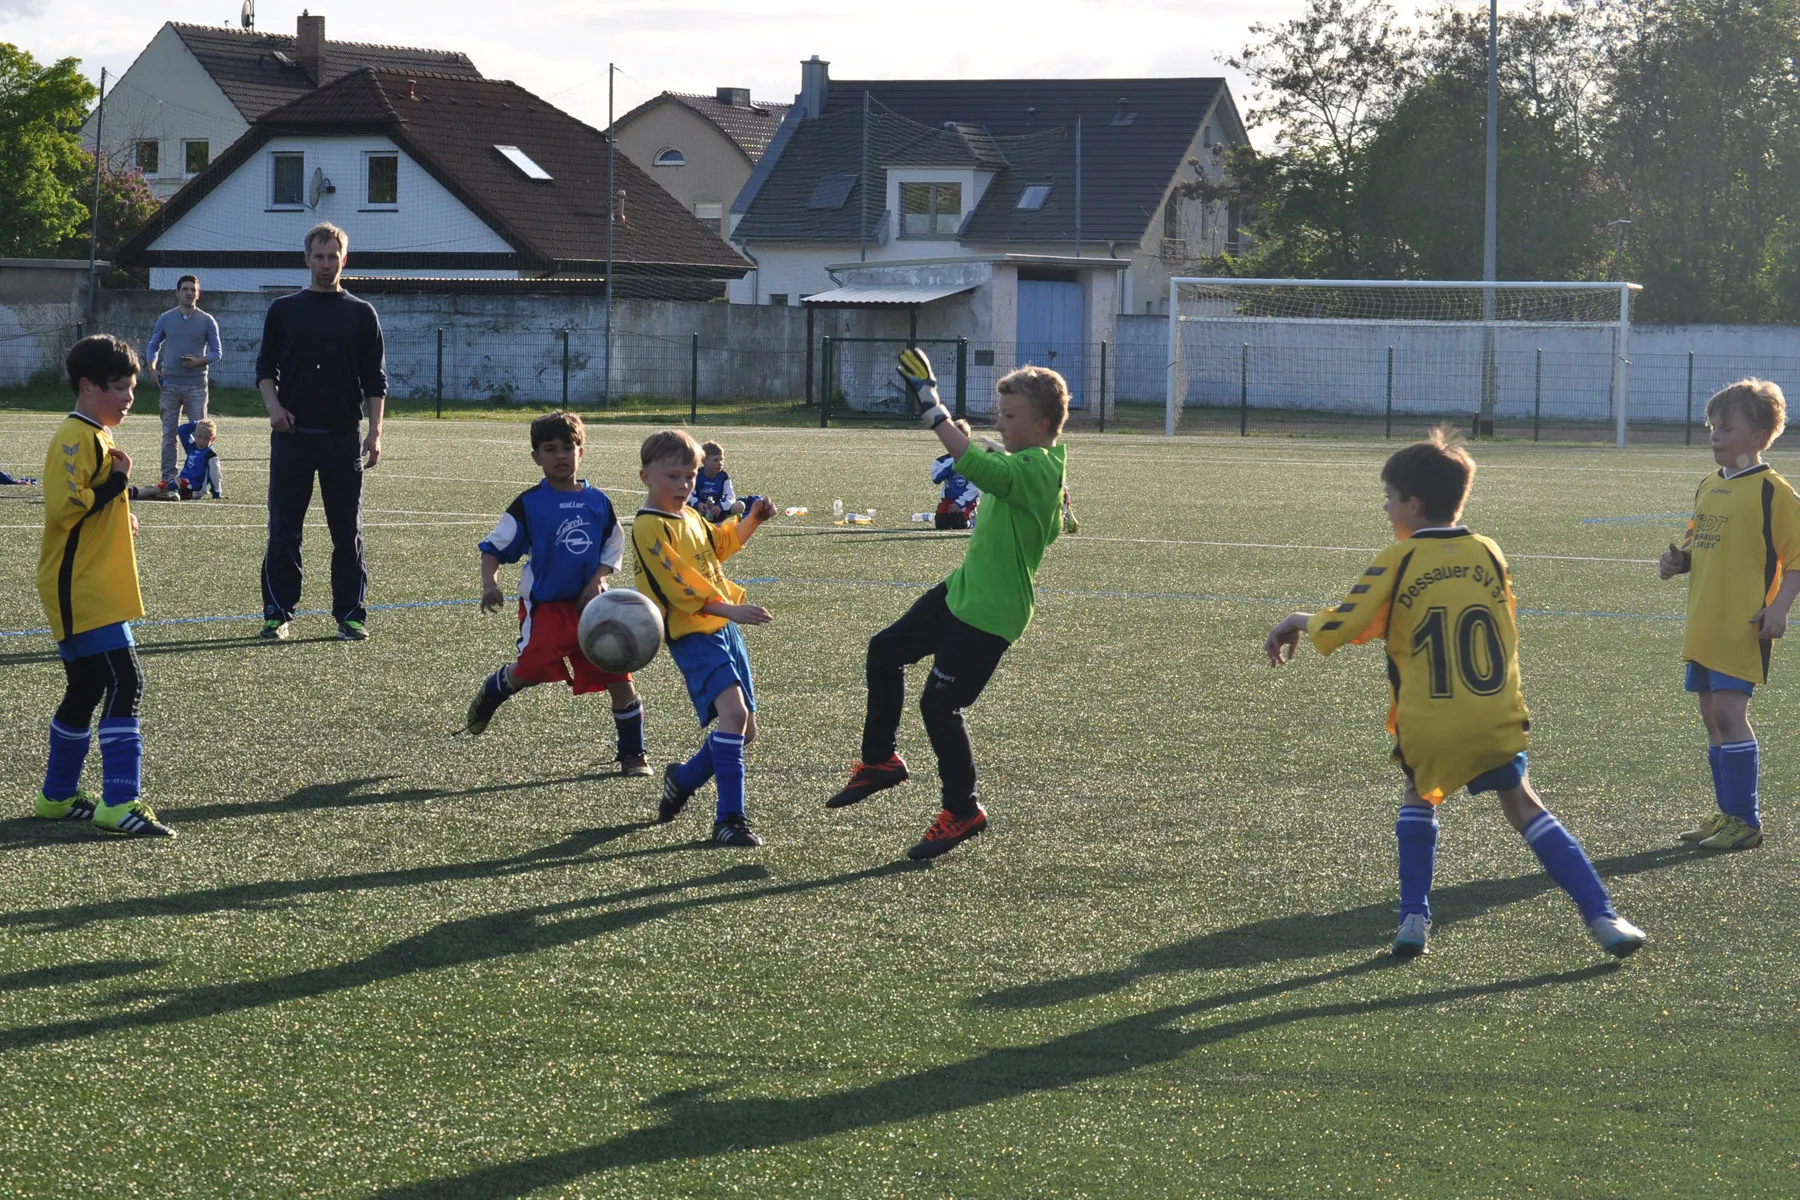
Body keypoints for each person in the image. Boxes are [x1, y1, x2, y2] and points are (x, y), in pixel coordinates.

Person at [1264, 428, 1643, 958]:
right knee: (1524, 804)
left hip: (1431, 720)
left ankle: (1413, 918)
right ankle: (1603, 916)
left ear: (1413, 505)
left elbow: (1344, 626)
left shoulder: (1397, 559)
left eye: (1389, 497)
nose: (1385, 508)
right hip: (1493, 714)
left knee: (1418, 796)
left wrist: (1296, 619)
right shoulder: (1488, 551)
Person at [827, 350, 1069, 861]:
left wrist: (932, 406)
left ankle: (963, 810)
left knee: (940, 706)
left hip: (990, 614)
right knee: (884, 650)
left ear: (1043, 424)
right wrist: (965, 438)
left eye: (1010, 416)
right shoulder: (1030, 466)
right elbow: (995, 471)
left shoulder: (1038, 468)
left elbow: (983, 468)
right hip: (962, 592)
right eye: (1000, 414)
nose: (1000, 424)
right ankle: (880, 761)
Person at [31, 335, 173, 837]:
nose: (129, 397)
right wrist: (116, 485)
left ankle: (57, 796)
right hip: (81, 588)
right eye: (119, 387)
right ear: (88, 386)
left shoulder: (98, 434)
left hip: (90, 585)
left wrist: (120, 513)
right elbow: (66, 506)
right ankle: (119, 802)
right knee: (126, 681)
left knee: (88, 685)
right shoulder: (77, 435)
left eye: (132, 387)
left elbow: (91, 507)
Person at [462, 411, 651, 777]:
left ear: (582, 452)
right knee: (530, 672)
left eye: (568, 447)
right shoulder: (528, 504)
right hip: (546, 608)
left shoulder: (598, 502)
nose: (560, 455)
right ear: (536, 457)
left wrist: (597, 579)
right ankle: (493, 691)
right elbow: (493, 549)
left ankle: (633, 754)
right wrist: (490, 584)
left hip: (593, 609)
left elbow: (613, 544)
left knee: (618, 675)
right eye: (550, 449)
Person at [1659, 379, 1800, 852]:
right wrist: (1679, 562)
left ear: (1759, 436)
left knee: (1728, 712)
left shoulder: (1773, 491)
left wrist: (1780, 607)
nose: (1715, 436)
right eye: (1712, 428)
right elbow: (1697, 545)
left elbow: (1797, 557)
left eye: (1726, 428)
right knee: (1711, 717)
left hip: (1745, 624)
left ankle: (1746, 820)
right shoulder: (1709, 484)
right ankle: (1727, 812)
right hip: (1705, 621)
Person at [632, 429, 777, 847]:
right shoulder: (649, 526)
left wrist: (753, 519)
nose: (683, 485)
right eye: (673, 476)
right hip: (693, 633)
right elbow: (680, 587)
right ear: (646, 477)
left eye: (690, 477)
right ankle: (729, 819)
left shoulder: (691, 517)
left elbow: (720, 544)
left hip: (722, 628)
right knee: (734, 717)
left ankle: (683, 779)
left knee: (745, 730)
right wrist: (731, 610)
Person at [255, 222, 386, 641]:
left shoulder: (361, 313)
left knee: (347, 531)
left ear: (344, 259)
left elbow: (375, 381)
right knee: (283, 529)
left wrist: (375, 433)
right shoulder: (283, 310)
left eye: (333, 256)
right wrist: (274, 409)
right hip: (292, 438)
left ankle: (350, 614)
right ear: (307, 259)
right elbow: (264, 370)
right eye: (319, 256)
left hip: (342, 437)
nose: (326, 264)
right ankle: (277, 613)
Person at [146, 274, 221, 487]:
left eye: (192, 289)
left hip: (196, 384)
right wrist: (152, 369)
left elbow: (217, 352)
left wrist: (199, 361)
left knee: (201, 434)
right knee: (169, 433)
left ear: (198, 294)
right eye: (185, 289)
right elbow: (153, 345)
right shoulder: (166, 318)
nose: (189, 293)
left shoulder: (207, 320)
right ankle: (168, 478)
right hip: (169, 384)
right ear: (177, 293)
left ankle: (200, 479)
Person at [131, 419, 221, 501]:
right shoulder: (192, 447)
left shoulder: (210, 455)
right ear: (195, 435)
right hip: (181, 483)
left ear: (212, 439)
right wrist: (196, 424)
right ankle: (129, 493)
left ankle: (173, 493)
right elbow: (182, 430)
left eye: (206, 438)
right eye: (199, 437)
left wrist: (217, 492)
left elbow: (215, 475)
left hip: (194, 488)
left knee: (174, 479)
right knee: (154, 488)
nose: (201, 441)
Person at [930, 421, 981, 530]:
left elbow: (975, 487)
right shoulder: (943, 460)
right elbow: (935, 478)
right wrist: (953, 460)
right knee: (941, 524)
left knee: (958, 523)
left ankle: (973, 521)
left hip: (967, 500)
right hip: (948, 500)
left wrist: (959, 503)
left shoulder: (973, 460)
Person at [689, 440, 747, 522]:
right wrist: (697, 504)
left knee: (740, 505)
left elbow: (730, 496)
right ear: (704, 461)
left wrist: (720, 506)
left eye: (721, 459)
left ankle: (726, 522)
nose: (720, 463)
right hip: (700, 509)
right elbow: (689, 494)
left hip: (717, 509)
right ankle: (696, 521)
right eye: (715, 460)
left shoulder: (724, 476)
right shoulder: (696, 475)